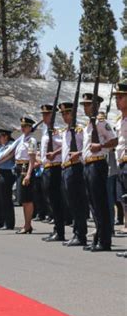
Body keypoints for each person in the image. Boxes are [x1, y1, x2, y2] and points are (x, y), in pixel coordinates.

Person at [81, 92, 117, 252]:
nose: (85, 107)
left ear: (96, 106)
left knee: (100, 203)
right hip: (88, 166)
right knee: (93, 204)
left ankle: (104, 240)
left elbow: (114, 140)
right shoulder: (88, 124)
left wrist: (101, 147)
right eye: (84, 105)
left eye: (88, 104)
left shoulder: (101, 123)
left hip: (97, 165)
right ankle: (98, 237)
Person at [59, 101, 89, 247]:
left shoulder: (79, 130)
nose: (65, 116)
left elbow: (87, 148)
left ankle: (80, 234)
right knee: (71, 203)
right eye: (63, 113)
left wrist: (80, 155)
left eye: (67, 113)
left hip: (76, 168)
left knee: (78, 203)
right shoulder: (65, 131)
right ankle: (76, 232)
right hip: (65, 168)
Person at [39, 104, 65, 242]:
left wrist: (54, 153)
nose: (44, 117)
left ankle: (60, 232)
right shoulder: (45, 129)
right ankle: (56, 229)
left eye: (47, 114)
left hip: (55, 167)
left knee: (56, 200)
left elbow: (65, 145)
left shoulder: (57, 130)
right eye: (43, 114)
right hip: (47, 167)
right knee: (51, 200)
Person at [113, 81, 127, 258]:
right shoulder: (119, 121)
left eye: (121, 97)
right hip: (122, 164)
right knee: (125, 203)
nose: (117, 101)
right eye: (116, 97)